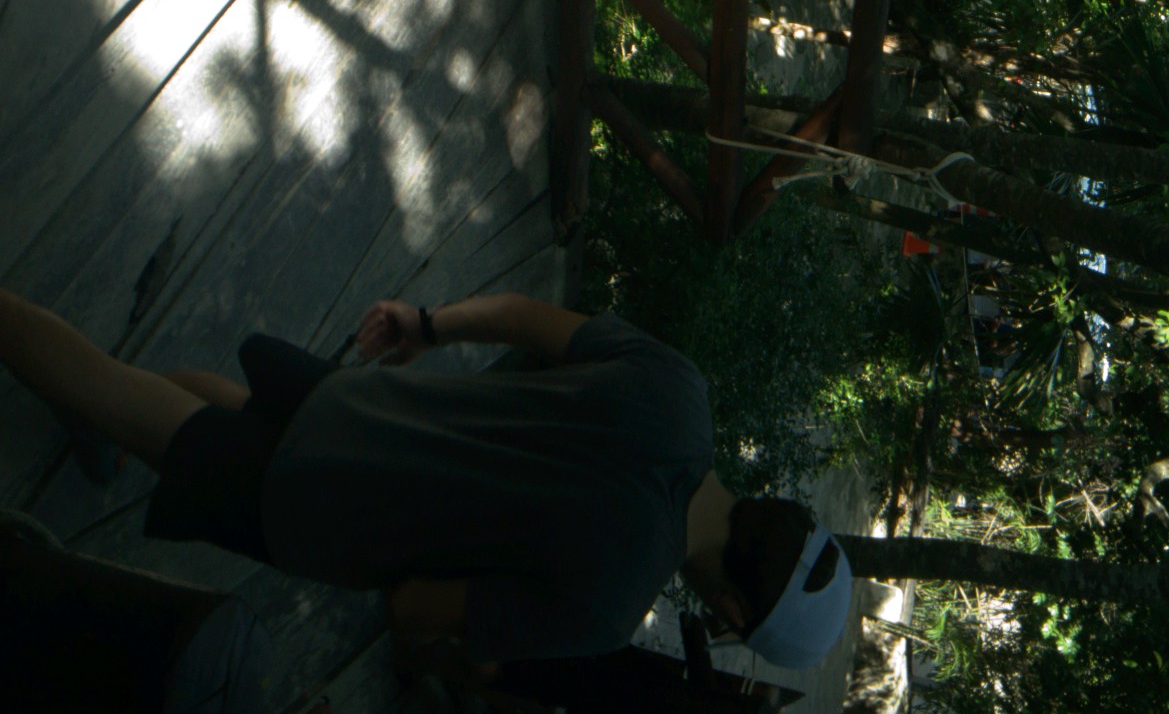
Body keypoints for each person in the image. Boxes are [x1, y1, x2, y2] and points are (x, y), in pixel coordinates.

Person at [0, 282, 851, 675]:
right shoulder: (606, 608)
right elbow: (414, 611)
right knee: (119, 398)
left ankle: (93, 413)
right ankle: (70, 382)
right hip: (313, 505)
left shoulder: (680, 394)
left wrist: (427, 324)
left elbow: (521, 316)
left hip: (354, 402)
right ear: (733, 613)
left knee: (208, 414)